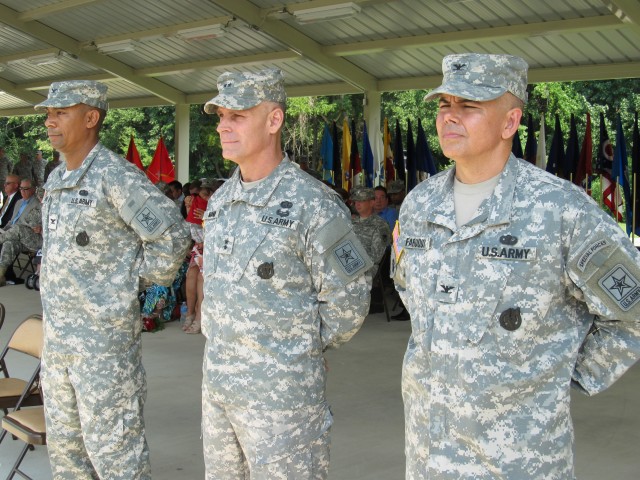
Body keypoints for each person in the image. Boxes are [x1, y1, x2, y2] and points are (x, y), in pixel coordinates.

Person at [393, 52, 640, 479]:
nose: (450, 117)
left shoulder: (558, 209)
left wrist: (566, 374)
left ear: (509, 122)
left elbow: (633, 304)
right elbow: (408, 288)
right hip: (428, 453)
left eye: (468, 106)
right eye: (443, 104)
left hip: (518, 461)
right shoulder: (419, 204)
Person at [200, 68, 372, 479]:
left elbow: (349, 302)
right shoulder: (221, 201)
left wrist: (296, 350)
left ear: (274, 120)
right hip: (219, 388)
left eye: (237, 116)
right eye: (221, 116)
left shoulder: (313, 204)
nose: (224, 126)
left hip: (282, 401)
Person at [36, 80, 191, 479]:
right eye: (49, 114)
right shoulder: (56, 178)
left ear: (91, 118)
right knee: (68, 454)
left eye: (61, 112)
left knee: (115, 455)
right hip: (58, 343)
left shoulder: (115, 177)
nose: (50, 121)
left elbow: (172, 236)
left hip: (103, 347)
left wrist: (130, 285)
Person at [351, 187, 391, 277]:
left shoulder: (380, 225)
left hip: (366, 268)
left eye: (361, 201)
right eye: (356, 201)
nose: (357, 204)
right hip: (347, 263)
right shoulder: (351, 222)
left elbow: (376, 257)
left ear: (372, 202)